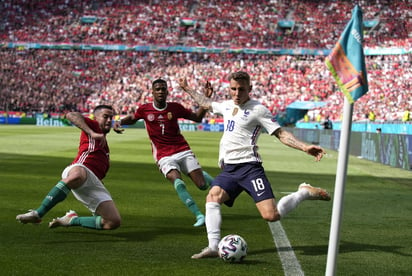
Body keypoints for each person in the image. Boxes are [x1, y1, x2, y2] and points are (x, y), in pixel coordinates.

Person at [179, 71, 331, 259]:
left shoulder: (259, 110)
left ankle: (304, 192)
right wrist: (187, 89)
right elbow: (206, 103)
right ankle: (213, 246)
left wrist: (304, 147)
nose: (236, 93)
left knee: (271, 215)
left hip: (250, 168)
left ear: (249, 89)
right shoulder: (226, 106)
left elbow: (281, 134)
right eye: (233, 89)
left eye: (241, 89)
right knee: (213, 197)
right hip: (230, 169)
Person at [113, 78, 214, 227]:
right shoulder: (145, 109)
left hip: (182, 150)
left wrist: (206, 99)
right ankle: (199, 215)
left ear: (167, 91)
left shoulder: (175, 107)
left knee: (202, 185)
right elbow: (133, 118)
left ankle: (212, 180)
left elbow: (197, 117)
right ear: (152, 92)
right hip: (163, 155)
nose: (160, 91)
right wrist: (119, 122)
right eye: (158, 89)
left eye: (163, 89)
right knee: (178, 182)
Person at [16, 105, 121, 230]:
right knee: (78, 175)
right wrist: (92, 132)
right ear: (95, 117)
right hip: (80, 169)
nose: (109, 120)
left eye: (111, 117)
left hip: (94, 182)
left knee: (113, 222)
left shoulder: (105, 147)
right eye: (105, 117)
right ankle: (38, 213)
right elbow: (71, 115)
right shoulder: (93, 126)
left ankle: (71, 220)